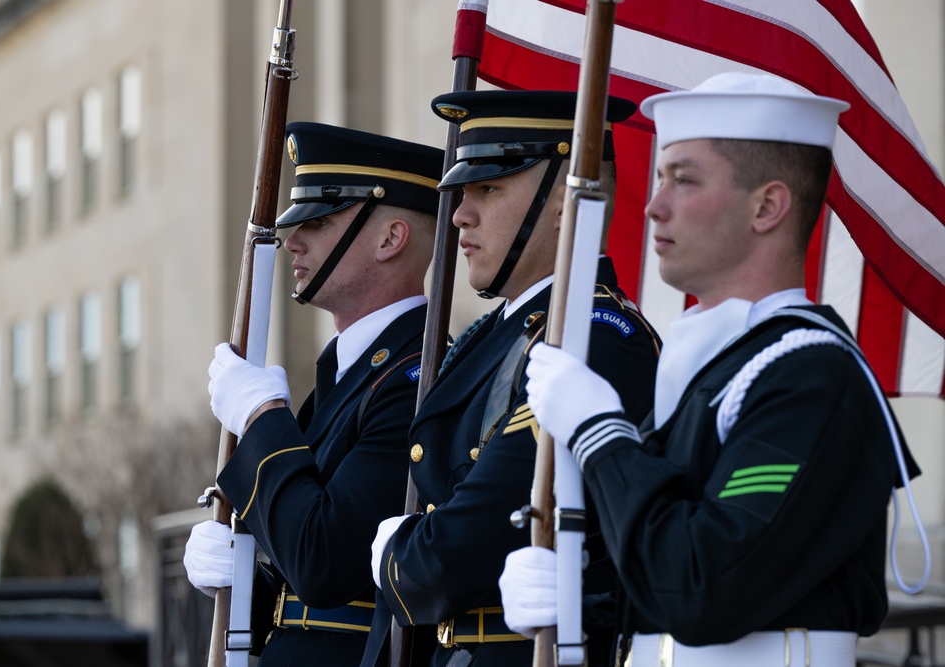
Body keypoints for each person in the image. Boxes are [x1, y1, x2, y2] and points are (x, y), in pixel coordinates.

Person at [500, 72, 921, 667]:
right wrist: (578, 603)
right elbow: (667, 590)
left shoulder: (811, 378)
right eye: (659, 179)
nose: (652, 205)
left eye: (684, 180)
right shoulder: (716, 367)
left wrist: (601, 434)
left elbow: (703, 587)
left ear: (768, 206)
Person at [363, 90, 662, 667]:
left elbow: (455, 553)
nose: (459, 214)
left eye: (488, 189)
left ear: (566, 202)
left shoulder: (590, 336)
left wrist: (395, 556)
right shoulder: (500, 334)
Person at [183, 122, 444, 667]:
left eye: (319, 222)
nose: (293, 241)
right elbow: (302, 592)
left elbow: (326, 561)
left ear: (390, 238)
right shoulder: (349, 377)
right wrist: (246, 584)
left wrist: (260, 417)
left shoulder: (415, 380)